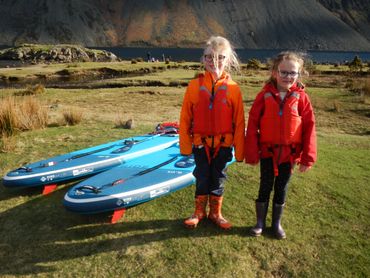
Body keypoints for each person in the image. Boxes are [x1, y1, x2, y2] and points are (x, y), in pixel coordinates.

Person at [245, 51, 317, 239]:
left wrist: (307, 158)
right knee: (265, 186)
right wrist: (251, 153)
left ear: (298, 73)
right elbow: (252, 124)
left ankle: (276, 224)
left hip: (289, 155)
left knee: (281, 188)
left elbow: (309, 127)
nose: (288, 76)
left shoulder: (302, 98)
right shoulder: (264, 96)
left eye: (292, 73)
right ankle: (260, 223)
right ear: (275, 72)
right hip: (267, 152)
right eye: (283, 72)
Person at [179, 36, 245, 230]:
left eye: (220, 57)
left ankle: (216, 213)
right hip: (200, 144)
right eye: (209, 56)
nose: (214, 61)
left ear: (228, 59)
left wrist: (239, 152)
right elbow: (185, 119)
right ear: (203, 58)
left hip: (224, 145)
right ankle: (198, 212)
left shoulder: (234, 89)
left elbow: (240, 122)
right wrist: (185, 147)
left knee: (218, 177)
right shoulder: (193, 86)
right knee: (202, 176)